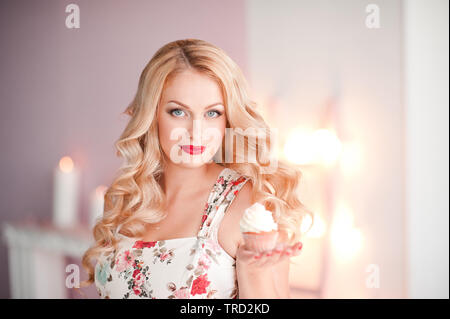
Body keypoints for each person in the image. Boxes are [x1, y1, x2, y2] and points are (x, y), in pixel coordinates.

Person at [80, 38, 313, 299]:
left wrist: (253, 270)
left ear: (228, 119)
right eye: (179, 112)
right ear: (152, 114)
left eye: (212, 113)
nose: (196, 132)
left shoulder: (251, 204)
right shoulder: (128, 196)